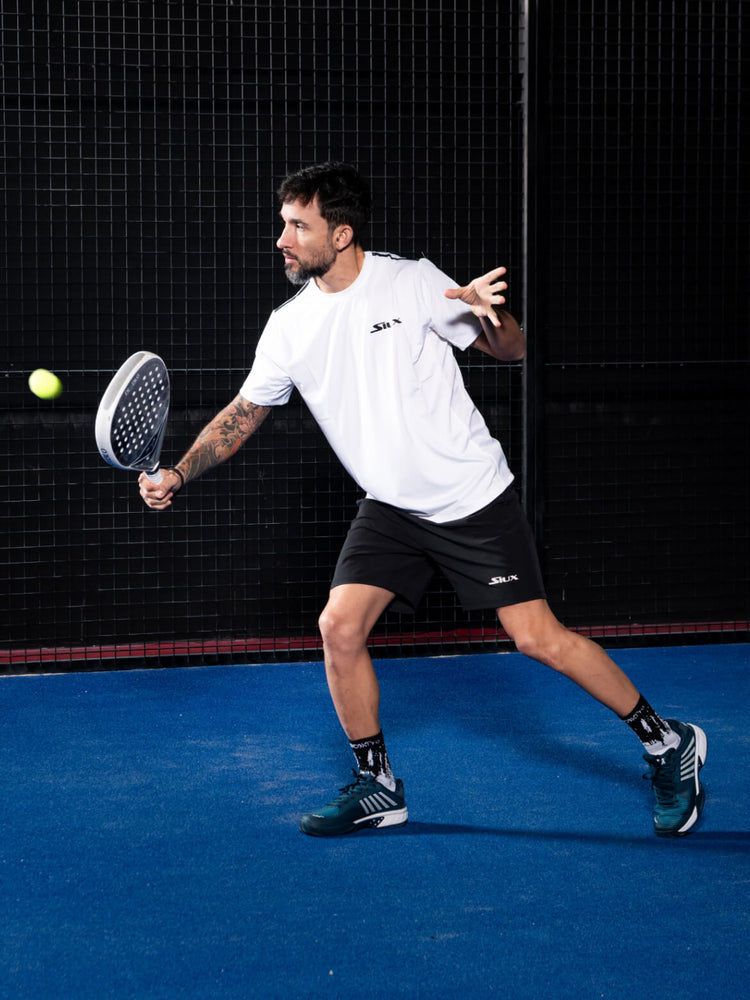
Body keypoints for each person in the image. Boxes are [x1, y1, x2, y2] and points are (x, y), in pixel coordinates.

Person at [139, 162, 707, 840]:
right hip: (391, 507)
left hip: (470, 495)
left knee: (537, 639)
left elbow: (511, 350)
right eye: (283, 224)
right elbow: (242, 414)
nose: (282, 240)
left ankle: (667, 741)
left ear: (342, 233)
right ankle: (378, 786)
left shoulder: (410, 281)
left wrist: (488, 316)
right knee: (339, 629)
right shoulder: (288, 327)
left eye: (298, 226)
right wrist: (178, 471)